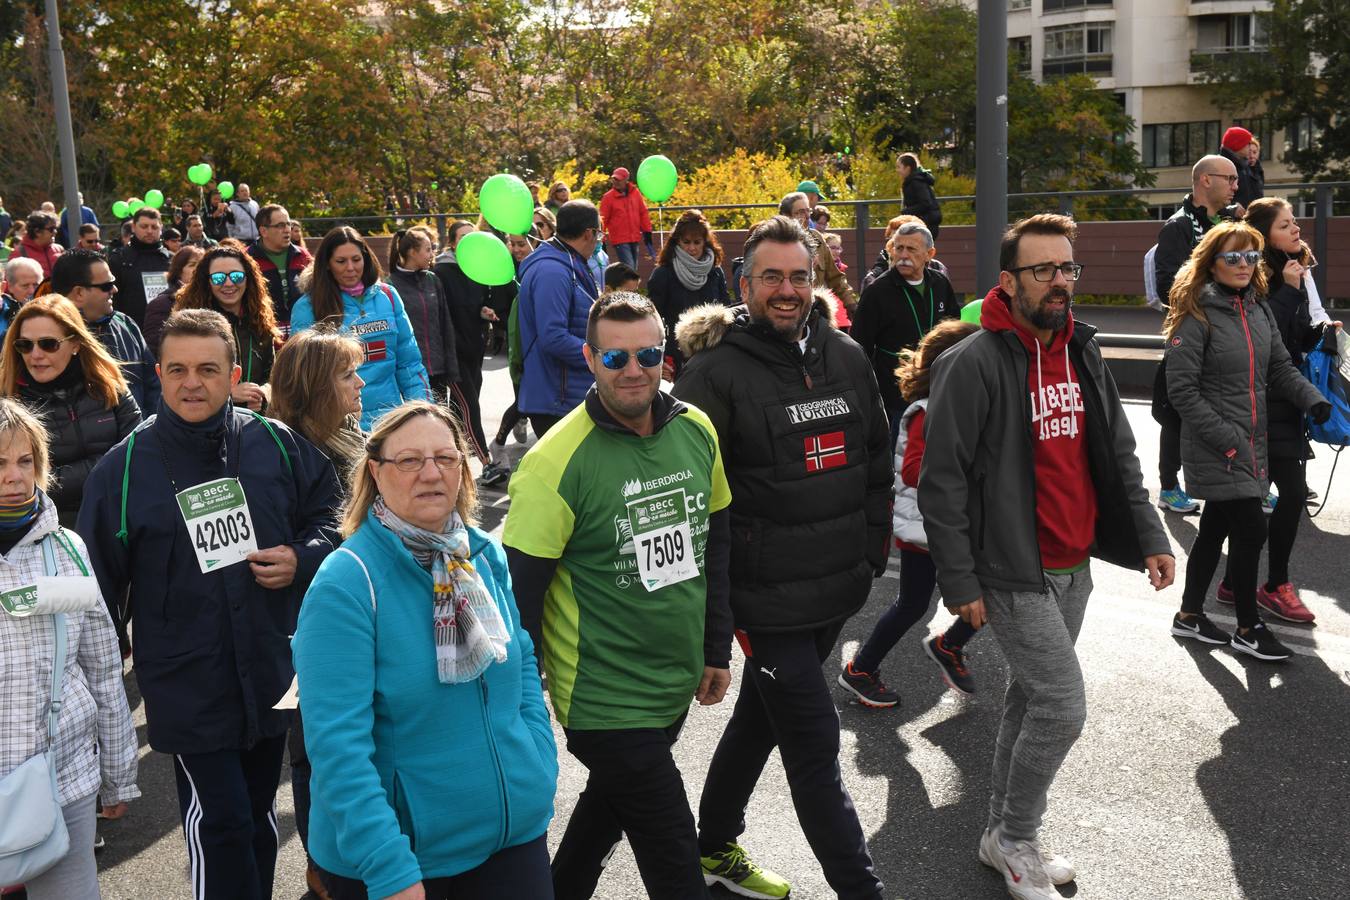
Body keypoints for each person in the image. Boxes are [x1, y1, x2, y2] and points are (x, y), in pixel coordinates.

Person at [919, 213, 1174, 899]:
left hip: (1073, 563)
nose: (1060, 282)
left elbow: (1118, 450)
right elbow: (940, 480)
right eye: (1044, 270)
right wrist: (958, 578)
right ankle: (1017, 839)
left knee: (1029, 698)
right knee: (1062, 708)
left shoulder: (1080, 349)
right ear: (1009, 281)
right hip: (1010, 565)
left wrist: (1151, 533)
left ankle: (1001, 834)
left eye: (1067, 268)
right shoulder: (972, 363)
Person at [78, 308, 342, 900]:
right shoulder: (122, 470)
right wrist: (97, 704)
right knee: (220, 823)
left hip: (271, 664)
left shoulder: (275, 442)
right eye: (176, 370)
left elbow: (331, 514)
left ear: (234, 373)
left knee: (256, 816)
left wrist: (303, 556)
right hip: (188, 680)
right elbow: (98, 594)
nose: (190, 383)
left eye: (206, 369)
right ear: (158, 374)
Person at [672, 215, 891, 900]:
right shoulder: (713, 375)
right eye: (772, 276)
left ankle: (711, 847)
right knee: (814, 746)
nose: (787, 290)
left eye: (799, 276)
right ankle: (864, 890)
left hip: (837, 588)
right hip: (763, 602)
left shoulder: (847, 357)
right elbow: (691, 501)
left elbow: (877, 465)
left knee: (760, 720)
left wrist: (871, 554)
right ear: (745, 282)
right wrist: (715, 612)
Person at [504, 293, 732, 900]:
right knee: (673, 848)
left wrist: (715, 647)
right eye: (614, 356)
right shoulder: (554, 463)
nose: (634, 369)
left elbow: (716, 544)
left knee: (605, 812)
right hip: (603, 699)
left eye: (649, 353)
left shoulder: (696, 429)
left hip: (673, 680)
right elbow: (518, 601)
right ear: (589, 358)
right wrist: (519, 715)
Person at [295, 401, 556, 899]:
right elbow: (336, 748)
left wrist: (536, 769)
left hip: (513, 837)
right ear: (375, 471)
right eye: (410, 460)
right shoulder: (346, 583)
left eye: (445, 458)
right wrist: (389, 868)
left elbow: (521, 662)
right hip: (405, 862)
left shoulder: (482, 554)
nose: (431, 473)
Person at [1165, 221, 1329, 661]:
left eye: (1251, 256)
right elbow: (1182, 392)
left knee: (1216, 527)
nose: (1243, 265)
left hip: (1247, 441)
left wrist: (1313, 401)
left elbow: (1278, 368)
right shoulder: (1195, 313)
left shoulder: (1256, 309)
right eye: (1233, 256)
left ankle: (1188, 616)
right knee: (1251, 527)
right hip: (1219, 444)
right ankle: (1247, 627)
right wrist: (1229, 440)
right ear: (1212, 262)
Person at [0, 398, 139, 900]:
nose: (14, 476)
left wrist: (119, 776)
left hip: (67, 774)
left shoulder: (69, 550)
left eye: (25, 461)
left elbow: (103, 668)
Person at [267, 328, 366, 900]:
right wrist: (306, 556)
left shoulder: (349, 436)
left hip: (358, 616)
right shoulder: (288, 450)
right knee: (316, 755)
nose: (360, 382)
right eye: (347, 373)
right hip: (313, 626)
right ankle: (320, 866)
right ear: (314, 385)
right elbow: (328, 529)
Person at [839, 319, 982, 707]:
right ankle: (861, 670)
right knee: (914, 604)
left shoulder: (962, 406)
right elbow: (913, 470)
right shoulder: (925, 411)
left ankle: (948, 645)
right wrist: (968, 470)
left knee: (992, 591)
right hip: (925, 527)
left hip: (953, 525)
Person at [1209, 198, 1338, 622]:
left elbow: (1296, 340)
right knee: (1274, 498)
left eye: (1295, 222)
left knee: (1252, 502)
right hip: (1258, 403)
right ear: (1267, 235)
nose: (1296, 229)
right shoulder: (1254, 277)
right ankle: (1271, 586)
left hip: (1285, 402)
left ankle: (1232, 584)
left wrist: (1323, 331)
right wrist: (1289, 292)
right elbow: (1267, 342)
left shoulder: (1295, 268)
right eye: (1286, 225)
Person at [1, 295, 141, 527]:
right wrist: (107, 465)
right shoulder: (8, 403)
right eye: (24, 345)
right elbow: (29, 483)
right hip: (47, 528)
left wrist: (62, 476)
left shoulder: (110, 387)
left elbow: (137, 457)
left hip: (122, 518)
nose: (35, 355)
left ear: (75, 344)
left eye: (48, 344)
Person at [1152, 154, 1239, 514]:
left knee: (1231, 407)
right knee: (1177, 411)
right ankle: (1169, 486)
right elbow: (1165, 286)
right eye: (1230, 178)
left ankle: (1242, 481)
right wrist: (1214, 290)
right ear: (1205, 180)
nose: (1236, 185)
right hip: (1190, 334)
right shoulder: (1178, 226)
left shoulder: (1230, 222)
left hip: (1227, 333)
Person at [291, 226, 432, 429]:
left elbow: (409, 364)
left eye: (356, 259)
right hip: (339, 428)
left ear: (366, 258)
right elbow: (304, 376)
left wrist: (423, 411)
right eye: (341, 261)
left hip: (390, 423)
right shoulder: (308, 307)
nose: (350, 268)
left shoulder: (389, 296)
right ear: (327, 264)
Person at [850, 220, 959, 448]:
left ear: (930, 254)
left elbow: (954, 332)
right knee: (900, 455)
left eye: (911, 249)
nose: (903, 255)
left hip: (937, 388)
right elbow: (859, 347)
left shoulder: (940, 284)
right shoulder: (877, 292)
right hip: (894, 395)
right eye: (898, 248)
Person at [515, 200, 602, 438]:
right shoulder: (552, 271)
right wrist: (602, 357)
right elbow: (553, 337)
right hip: (556, 400)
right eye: (599, 233)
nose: (599, 240)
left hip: (565, 394)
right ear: (588, 233)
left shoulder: (567, 263)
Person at [49, 248, 161, 416]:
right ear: (79, 292)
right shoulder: (46, 340)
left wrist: (149, 430)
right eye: (107, 285)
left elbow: (153, 384)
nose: (114, 289)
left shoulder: (125, 324)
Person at [173, 244, 283, 412]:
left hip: (255, 421)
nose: (229, 283)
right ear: (207, 281)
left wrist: (262, 394)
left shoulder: (259, 319)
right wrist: (229, 394)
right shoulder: (190, 325)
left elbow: (273, 375)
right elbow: (179, 381)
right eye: (218, 278)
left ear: (248, 278)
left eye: (237, 276)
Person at [432, 220, 493, 463]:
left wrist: (484, 311)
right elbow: (443, 313)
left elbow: (475, 304)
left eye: (472, 236)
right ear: (453, 243)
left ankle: (449, 455)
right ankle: (487, 461)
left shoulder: (477, 268)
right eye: (463, 238)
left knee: (458, 408)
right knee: (469, 407)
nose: (469, 242)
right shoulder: (441, 272)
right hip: (453, 351)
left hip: (474, 346)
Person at [647, 209, 731, 381]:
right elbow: (652, 319)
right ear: (677, 241)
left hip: (713, 352)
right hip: (675, 356)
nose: (691, 248)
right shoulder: (663, 274)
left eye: (697, 242)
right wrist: (658, 357)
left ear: (705, 243)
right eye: (686, 242)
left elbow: (726, 310)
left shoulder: (715, 272)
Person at [479, 233, 534, 488]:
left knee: (529, 403)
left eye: (521, 244)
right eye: (513, 244)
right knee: (523, 401)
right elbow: (504, 312)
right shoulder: (508, 274)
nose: (516, 249)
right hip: (522, 349)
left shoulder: (542, 267)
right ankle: (499, 443)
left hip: (537, 347)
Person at [386, 226, 460, 402]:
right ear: (412, 252)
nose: (431, 254)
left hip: (438, 371)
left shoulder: (433, 280)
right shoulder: (390, 287)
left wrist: (451, 368)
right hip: (410, 374)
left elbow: (446, 325)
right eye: (428, 250)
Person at [778, 191, 856, 314]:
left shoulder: (817, 239)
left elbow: (835, 277)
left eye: (808, 211)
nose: (807, 216)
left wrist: (851, 304)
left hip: (816, 311)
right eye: (800, 212)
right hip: (787, 309)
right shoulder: (775, 243)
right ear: (785, 216)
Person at [248, 204, 313, 329]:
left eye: (288, 224)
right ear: (263, 231)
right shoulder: (247, 258)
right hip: (263, 330)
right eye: (280, 225)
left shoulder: (302, 255)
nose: (287, 229)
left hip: (300, 330)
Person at [106, 206, 173, 328]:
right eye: (144, 226)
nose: (149, 231)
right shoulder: (119, 259)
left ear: (161, 228)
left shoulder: (172, 260)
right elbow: (113, 299)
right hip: (130, 328)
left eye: (154, 227)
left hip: (168, 328)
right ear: (133, 227)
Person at [144, 244, 205, 358]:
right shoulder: (163, 303)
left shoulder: (212, 298)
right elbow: (154, 349)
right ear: (179, 270)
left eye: (202, 265)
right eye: (192, 265)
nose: (198, 269)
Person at [599, 167, 655, 270]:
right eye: (614, 179)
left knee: (633, 268)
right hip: (620, 239)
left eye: (618, 179)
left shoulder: (635, 193)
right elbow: (603, 220)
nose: (615, 182)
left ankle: (628, 286)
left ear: (626, 179)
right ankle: (629, 286)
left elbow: (643, 213)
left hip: (634, 237)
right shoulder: (608, 197)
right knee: (629, 268)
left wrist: (647, 231)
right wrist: (601, 238)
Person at [898, 153, 943, 239]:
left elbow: (925, 203)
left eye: (899, 167)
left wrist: (906, 212)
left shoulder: (916, 182)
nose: (898, 170)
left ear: (907, 168)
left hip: (926, 224)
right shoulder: (914, 181)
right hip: (923, 223)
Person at [1219, 126, 1263, 212]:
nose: (1250, 147)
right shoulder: (1222, 166)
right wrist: (1232, 208)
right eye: (1248, 143)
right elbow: (1216, 197)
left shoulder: (1247, 165)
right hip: (1232, 221)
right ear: (1238, 145)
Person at [12, 211, 63, 280]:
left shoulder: (59, 249)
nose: (55, 232)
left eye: (56, 228)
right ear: (37, 231)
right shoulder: (19, 254)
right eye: (51, 229)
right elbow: (12, 285)